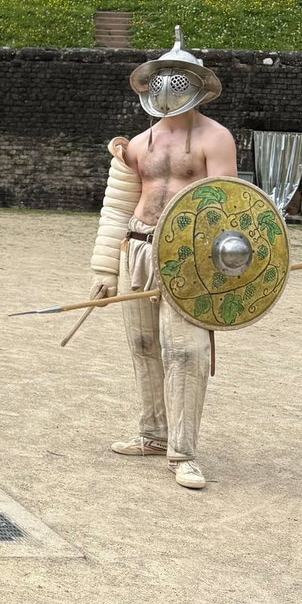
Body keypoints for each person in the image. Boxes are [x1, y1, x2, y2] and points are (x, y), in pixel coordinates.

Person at [88, 25, 235, 491]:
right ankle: (152, 434)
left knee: (186, 351)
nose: (169, 85)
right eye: (163, 75)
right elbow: (117, 205)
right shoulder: (137, 143)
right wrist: (104, 269)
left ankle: (183, 451)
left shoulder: (217, 139)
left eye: (178, 76)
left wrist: (220, 270)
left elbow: (228, 206)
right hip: (137, 247)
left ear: (197, 84)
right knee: (143, 344)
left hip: (188, 254)